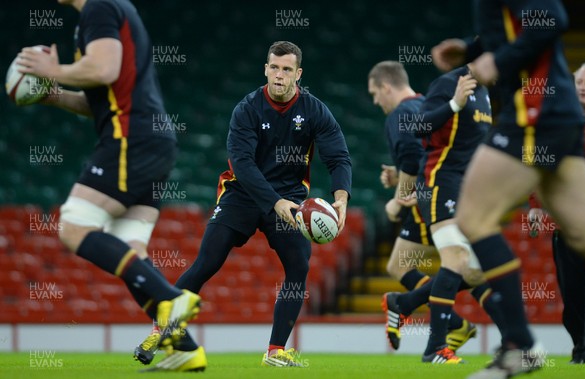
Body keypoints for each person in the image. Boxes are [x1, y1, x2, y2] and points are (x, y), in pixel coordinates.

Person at [133, 40, 352, 367]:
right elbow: (243, 164)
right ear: (265, 69)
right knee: (207, 261)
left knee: (299, 266)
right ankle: (160, 330)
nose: (279, 75)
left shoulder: (314, 110)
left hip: (290, 199)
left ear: (298, 74)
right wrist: (273, 202)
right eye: (274, 68)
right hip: (242, 193)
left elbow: (338, 158)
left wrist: (341, 199)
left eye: (287, 69)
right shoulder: (247, 109)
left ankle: (275, 351)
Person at [16, 0, 204, 372]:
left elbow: (103, 69)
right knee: (130, 245)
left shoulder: (99, 7)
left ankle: (172, 298)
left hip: (130, 137)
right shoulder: (110, 10)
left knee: (73, 226)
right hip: (152, 140)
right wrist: (53, 93)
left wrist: (54, 68)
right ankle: (185, 348)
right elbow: (98, 98)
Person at [432, 1, 585, 377]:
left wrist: (497, 61)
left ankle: (521, 346)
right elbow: (510, 32)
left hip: (533, 114)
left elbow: (553, 18)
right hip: (556, 117)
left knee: (474, 219)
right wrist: (471, 50)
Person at [382, 62, 505, 364]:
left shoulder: (485, 91)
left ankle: (405, 302)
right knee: (458, 260)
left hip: (466, 190)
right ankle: (436, 347)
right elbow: (419, 128)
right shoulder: (449, 84)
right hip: (440, 183)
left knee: (474, 270)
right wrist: (454, 104)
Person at [368, 61, 479, 354]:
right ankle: (451, 324)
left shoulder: (399, 115)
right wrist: (398, 174)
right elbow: (424, 154)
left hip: (432, 196)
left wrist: (396, 200)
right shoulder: (426, 105)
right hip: (445, 189)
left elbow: (412, 161)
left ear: (386, 87)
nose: (375, 101)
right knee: (400, 264)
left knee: (469, 269)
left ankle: (500, 337)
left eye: (375, 93)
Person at [528, 61, 585, 364]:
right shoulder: (560, 120)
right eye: (579, 82)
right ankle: (580, 349)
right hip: (564, 221)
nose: (582, 87)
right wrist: (535, 207)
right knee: (571, 292)